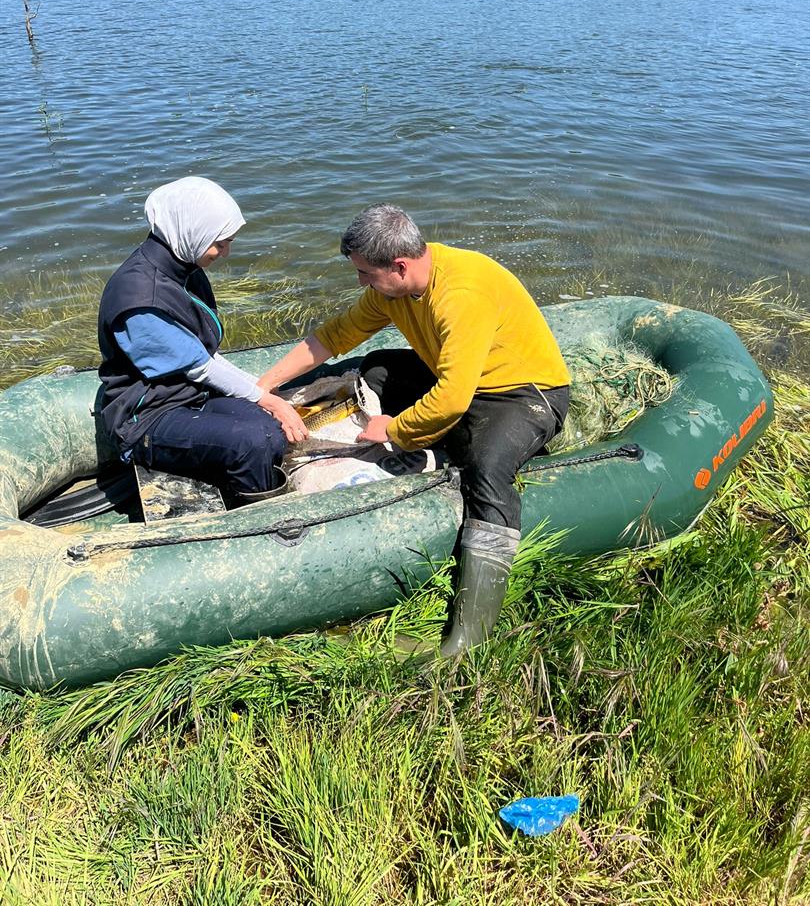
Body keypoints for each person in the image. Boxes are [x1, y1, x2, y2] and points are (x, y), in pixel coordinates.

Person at [258, 203, 570, 654]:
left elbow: (452, 398)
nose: (362, 282)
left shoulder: (461, 293)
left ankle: (467, 640)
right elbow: (336, 335)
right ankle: (442, 441)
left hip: (523, 393)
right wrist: (263, 386)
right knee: (380, 367)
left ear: (399, 266)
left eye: (365, 273)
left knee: (486, 468)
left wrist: (394, 430)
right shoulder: (394, 291)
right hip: (463, 382)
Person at [98, 176, 307, 501]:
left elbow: (201, 356)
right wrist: (266, 397)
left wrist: (258, 392)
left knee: (271, 432)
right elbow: (199, 368)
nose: (225, 253)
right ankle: (257, 522)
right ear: (191, 231)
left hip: (186, 396)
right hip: (146, 418)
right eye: (220, 243)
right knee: (254, 440)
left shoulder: (182, 268)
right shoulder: (141, 296)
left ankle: (234, 477)